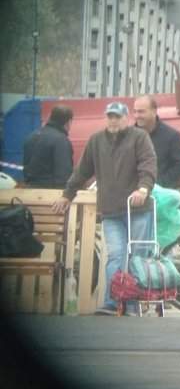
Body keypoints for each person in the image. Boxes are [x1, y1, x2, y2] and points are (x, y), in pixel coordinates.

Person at [52, 102, 157, 316]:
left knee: (137, 256)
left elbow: (148, 164)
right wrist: (67, 195)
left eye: (117, 117)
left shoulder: (139, 137)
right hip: (111, 210)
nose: (113, 120)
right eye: (110, 116)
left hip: (136, 209)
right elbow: (82, 171)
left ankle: (133, 304)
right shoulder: (96, 140)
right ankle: (114, 301)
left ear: (127, 118)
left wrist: (144, 189)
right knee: (116, 255)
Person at [133, 94, 180, 188]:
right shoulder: (128, 137)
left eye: (141, 112)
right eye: (135, 111)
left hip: (161, 195)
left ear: (154, 112)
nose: (137, 116)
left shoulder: (172, 136)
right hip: (132, 193)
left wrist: (159, 185)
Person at [23, 105, 74, 188]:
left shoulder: (31, 136)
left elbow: (26, 167)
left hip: (30, 190)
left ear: (50, 117)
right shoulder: (61, 140)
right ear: (68, 122)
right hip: (50, 194)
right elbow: (64, 174)